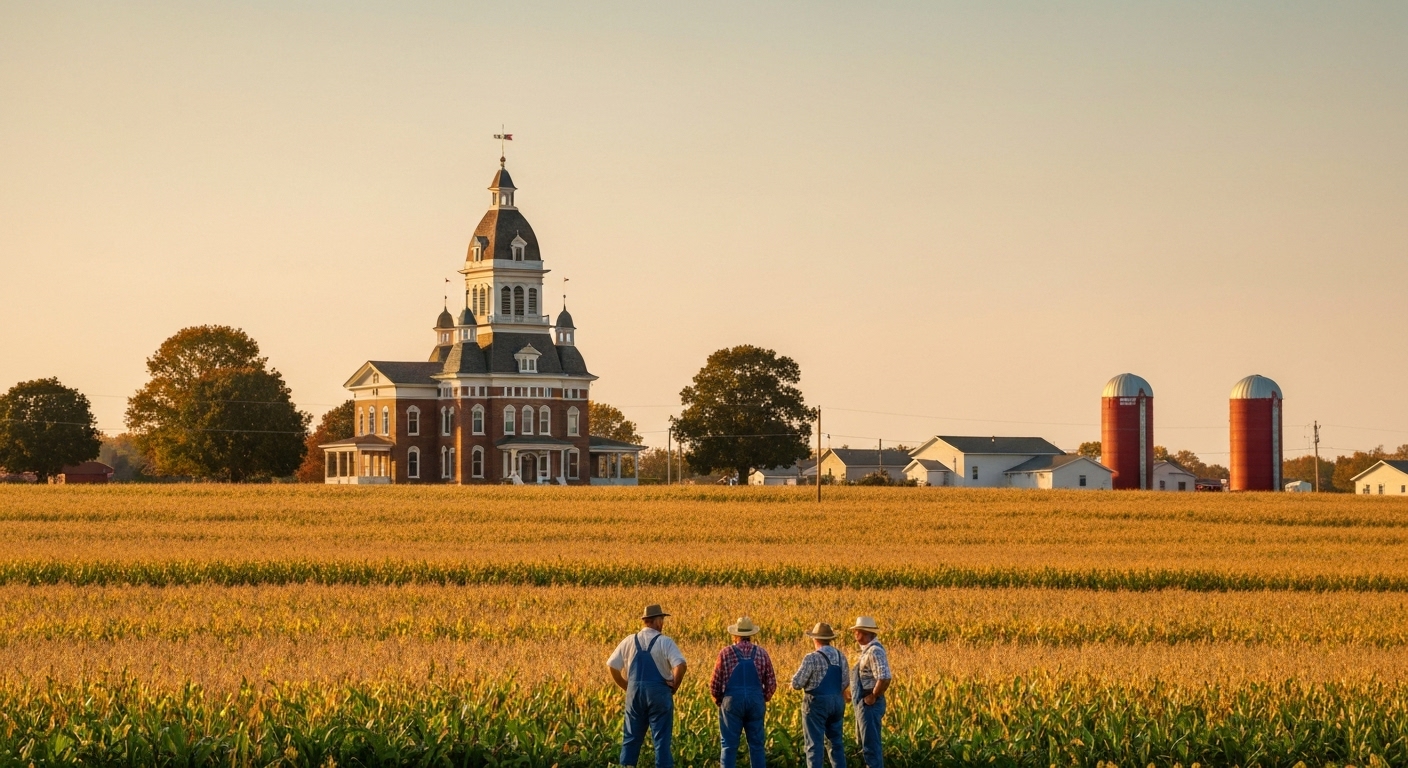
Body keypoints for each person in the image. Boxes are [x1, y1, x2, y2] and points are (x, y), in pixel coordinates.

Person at [608, 604, 688, 768]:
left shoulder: (629, 640)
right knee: (661, 741)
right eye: (662, 619)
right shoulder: (665, 642)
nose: (663, 623)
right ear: (656, 621)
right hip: (659, 695)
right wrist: (674, 685)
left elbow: (612, 666)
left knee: (630, 739)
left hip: (634, 695)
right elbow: (680, 665)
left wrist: (626, 686)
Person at [708, 616, 777, 768]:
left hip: (732, 702)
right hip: (755, 702)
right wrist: (761, 698)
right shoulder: (762, 653)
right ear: (751, 635)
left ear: (735, 635)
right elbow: (771, 683)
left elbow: (714, 684)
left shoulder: (725, 653)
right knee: (757, 746)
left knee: (728, 746)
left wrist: (720, 701)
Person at [790, 622, 849, 768]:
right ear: (830, 639)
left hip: (817, 704)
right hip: (837, 702)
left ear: (815, 639)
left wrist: (792, 684)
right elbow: (845, 681)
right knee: (836, 744)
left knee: (814, 745)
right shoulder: (840, 656)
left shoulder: (811, 658)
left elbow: (798, 683)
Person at [849, 616, 891, 768]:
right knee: (865, 743)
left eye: (857, 631)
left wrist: (874, 695)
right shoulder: (866, 651)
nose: (855, 634)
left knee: (871, 746)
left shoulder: (874, 651)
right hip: (863, 703)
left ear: (865, 632)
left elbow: (885, 677)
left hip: (869, 704)